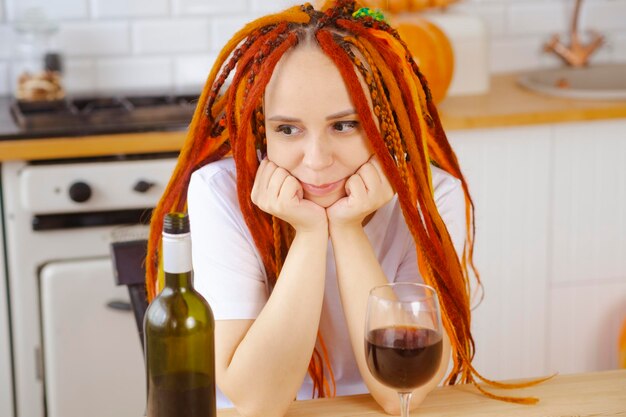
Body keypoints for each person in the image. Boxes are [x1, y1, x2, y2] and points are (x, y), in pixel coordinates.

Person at [145, 1, 543, 415]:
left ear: (384, 123)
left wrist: (348, 230)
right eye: (287, 129)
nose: (316, 160)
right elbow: (257, 402)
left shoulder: (433, 199)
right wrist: (311, 235)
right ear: (262, 131)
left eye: (344, 125)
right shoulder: (219, 192)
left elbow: (399, 393)